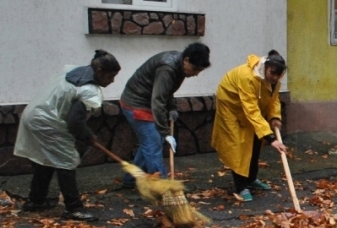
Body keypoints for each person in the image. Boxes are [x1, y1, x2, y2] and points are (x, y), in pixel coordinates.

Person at [13, 50, 121, 221]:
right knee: (67, 160)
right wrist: (88, 136)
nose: (112, 80)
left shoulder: (76, 72)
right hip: (47, 121)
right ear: (99, 72)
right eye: (111, 76)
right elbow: (75, 122)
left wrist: (86, 135)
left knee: (46, 159)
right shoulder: (88, 90)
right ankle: (73, 208)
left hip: (34, 114)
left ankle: (36, 201)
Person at [119, 42, 211, 188]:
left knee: (150, 144)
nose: (196, 74)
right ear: (186, 60)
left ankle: (131, 179)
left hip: (149, 103)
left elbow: (167, 91)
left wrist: (172, 108)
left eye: (200, 70)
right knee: (153, 144)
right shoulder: (168, 68)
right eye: (195, 69)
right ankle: (164, 189)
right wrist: (165, 132)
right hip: (137, 104)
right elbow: (158, 100)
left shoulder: (179, 66)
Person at [211, 50, 288, 201]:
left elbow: (273, 100)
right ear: (266, 67)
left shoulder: (274, 80)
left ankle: (251, 179)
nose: (275, 77)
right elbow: (251, 110)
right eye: (272, 73)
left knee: (255, 141)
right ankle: (241, 187)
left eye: (278, 75)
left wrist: (274, 117)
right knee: (238, 147)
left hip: (249, 107)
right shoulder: (247, 77)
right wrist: (272, 139)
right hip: (231, 107)